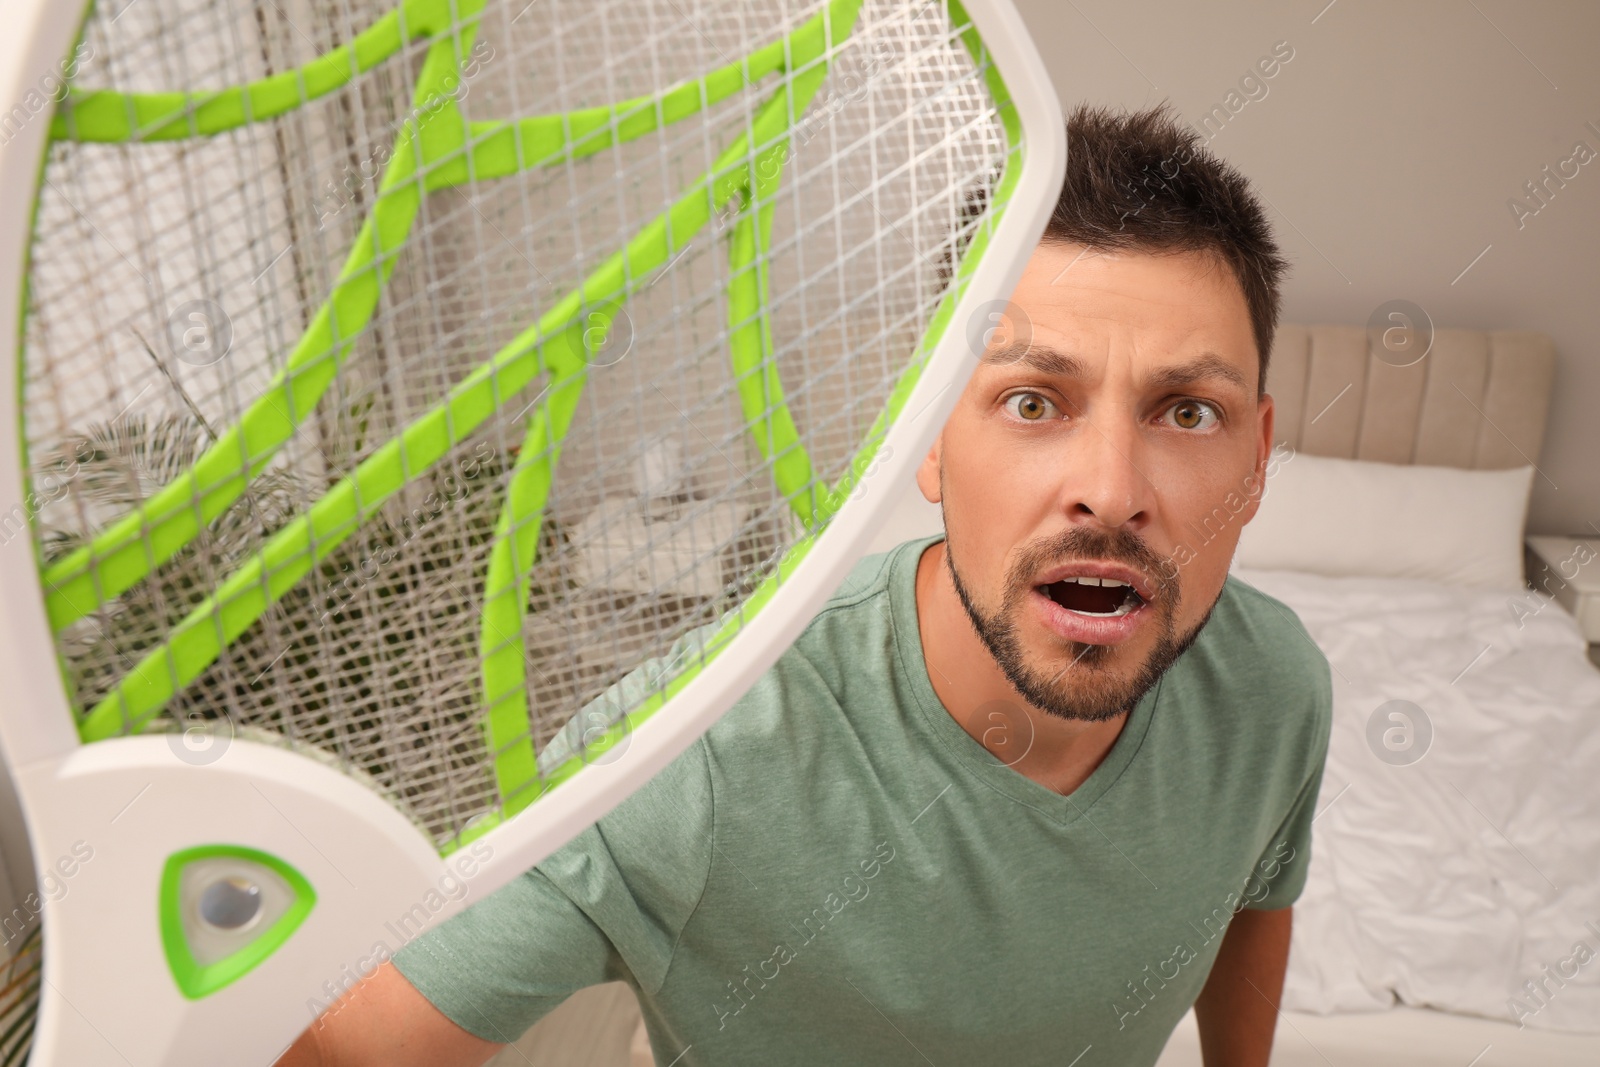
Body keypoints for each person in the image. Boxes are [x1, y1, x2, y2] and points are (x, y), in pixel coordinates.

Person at [279, 102, 1331, 1067]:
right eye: (1031, 401)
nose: (1108, 491)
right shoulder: (694, 753)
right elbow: (346, 1050)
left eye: (1186, 411)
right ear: (927, 433)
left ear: (1254, 461)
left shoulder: (1275, 688)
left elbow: (1251, 895)